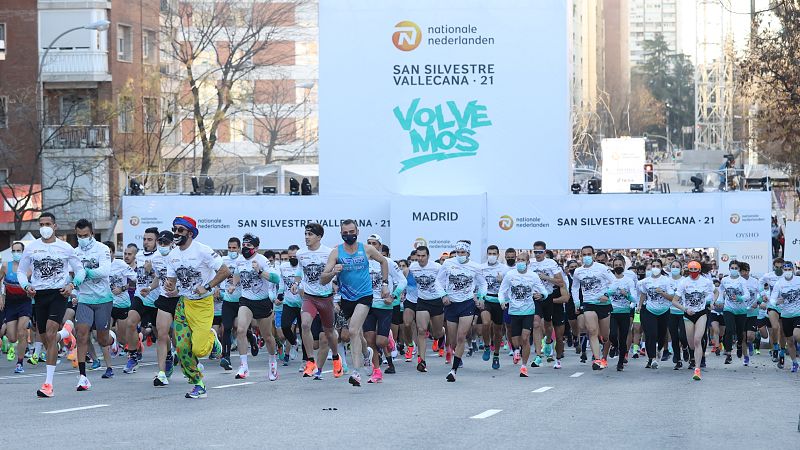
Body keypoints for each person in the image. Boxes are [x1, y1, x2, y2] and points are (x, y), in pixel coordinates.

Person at [17, 212, 85, 397]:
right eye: (41, 224)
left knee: (50, 331)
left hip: (59, 293)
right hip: (38, 294)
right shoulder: (32, 248)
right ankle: (66, 335)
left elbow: (80, 270)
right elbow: (22, 272)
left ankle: (48, 384)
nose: (44, 227)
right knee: (47, 339)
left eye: (48, 223)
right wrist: (25, 285)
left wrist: (72, 285)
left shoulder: (65, 247)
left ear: (55, 226)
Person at [163, 216, 229, 398]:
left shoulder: (202, 251)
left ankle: (212, 339)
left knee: (199, 349)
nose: (176, 233)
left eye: (180, 230)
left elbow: (225, 271)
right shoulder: (172, 255)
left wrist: (207, 286)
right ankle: (197, 384)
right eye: (174, 229)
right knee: (182, 347)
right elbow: (173, 283)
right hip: (184, 304)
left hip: (203, 305)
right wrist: (171, 288)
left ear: (190, 233)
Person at [320, 219, 389, 387]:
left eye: (352, 232)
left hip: (364, 296)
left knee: (353, 330)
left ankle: (356, 373)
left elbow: (383, 262)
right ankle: (367, 354)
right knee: (352, 335)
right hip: (346, 299)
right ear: (341, 234)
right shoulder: (336, 253)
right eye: (345, 233)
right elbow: (323, 279)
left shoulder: (367, 249)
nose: (349, 235)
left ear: (357, 232)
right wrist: (332, 272)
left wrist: (385, 284)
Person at [72, 219, 117, 392]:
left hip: (103, 299)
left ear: (92, 233)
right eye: (79, 235)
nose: (82, 238)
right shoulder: (74, 253)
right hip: (84, 300)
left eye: (85, 235)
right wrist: (74, 292)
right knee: (82, 335)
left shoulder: (102, 249)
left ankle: (112, 340)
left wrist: (86, 272)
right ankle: (83, 377)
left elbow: (105, 271)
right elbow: (73, 277)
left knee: (102, 339)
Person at [294, 223, 342, 379]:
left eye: (310, 234)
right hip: (309, 296)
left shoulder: (329, 252)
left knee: (329, 333)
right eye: (305, 234)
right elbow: (299, 271)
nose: (307, 237)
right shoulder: (301, 253)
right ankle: (310, 360)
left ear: (319, 237)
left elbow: (338, 272)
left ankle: (336, 357)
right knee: (305, 324)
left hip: (326, 297)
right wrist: (296, 283)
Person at [232, 233, 282, 381]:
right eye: (244, 245)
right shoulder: (239, 260)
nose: (246, 248)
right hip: (246, 300)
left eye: (249, 245)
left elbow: (276, 278)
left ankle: (272, 362)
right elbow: (236, 274)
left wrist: (260, 271)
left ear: (256, 247)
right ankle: (244, 366)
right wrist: (233, 285)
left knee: (267, 336)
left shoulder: (262, 260)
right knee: (240, 330)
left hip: (262, 301)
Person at [435, 241, 487, 382]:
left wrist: (481, 297)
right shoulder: (448, 263)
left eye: (463, 252)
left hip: (467, 303)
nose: (460, 255)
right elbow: (438, 281)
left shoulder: (475, 267)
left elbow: (483, 284)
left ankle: (454, 370)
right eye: (458, 252)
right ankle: (456, 355)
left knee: (461, 337)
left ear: (468, 253)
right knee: (452, 341)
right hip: (451, 304)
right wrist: (443, 295)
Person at [141, 230, 181, 387]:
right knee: (162, 335)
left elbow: (186, 279)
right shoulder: (156, 257)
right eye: (160, 243)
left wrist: (177, 291)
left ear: (172, 243)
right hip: (164, 299)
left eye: (166, 243)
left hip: (180, 298)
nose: (162, 246)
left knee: (180, 338)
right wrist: (150, 288)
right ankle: (162, 373)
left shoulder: (178, 255)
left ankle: (190, 361)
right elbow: (159, 277)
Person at [498, 251, 548, 377]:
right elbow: (501, 291)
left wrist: (541, 295)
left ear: (528, 262)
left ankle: (524, 366)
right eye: (518, 260)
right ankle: (516, 350)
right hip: (514, 311)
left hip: (528, 310)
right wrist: (502, 301)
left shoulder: (533, 276)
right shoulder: (510, 275)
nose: (520, 262)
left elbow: (544, 291)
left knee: (525, 337)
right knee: (516, 340)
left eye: (522, 260)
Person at [364, 234, 406, 381]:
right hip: (367, 305)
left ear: (380, 246)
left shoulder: (388, 262)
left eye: (374, 243)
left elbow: (402, 281)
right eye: (368, 243)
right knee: (370, 340)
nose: (371, 246)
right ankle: (377, 371)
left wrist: (393, 296)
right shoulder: (363, 262)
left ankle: (389, 339)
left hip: (384, 306)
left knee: (380, 342)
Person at [571, 245, 615, 370]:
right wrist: (577, 302)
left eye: (588, 254)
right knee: (592, 330)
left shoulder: (602, 268)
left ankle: (607, 344)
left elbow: (614, 282)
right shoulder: (578, 271)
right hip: (588, 303)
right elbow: (574, 288)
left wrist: (607, 295)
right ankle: (597, 360)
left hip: (603, 304)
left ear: (593, 255)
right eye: (584, 255)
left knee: (605, 336)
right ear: (581, 256)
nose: (586, 257)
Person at [125, 227, 160, 374]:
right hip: (141, 297)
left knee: (160, 333)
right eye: (144, 239)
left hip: (157, 299)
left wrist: (151, 271)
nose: (146, 242)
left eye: (150, 239)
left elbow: (164, 279)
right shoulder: (138, 255)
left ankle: (169, 356)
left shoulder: (160, 256)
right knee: (130, 322)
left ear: (157, 241)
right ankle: (133, 356)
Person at [672, 261, 715, 380]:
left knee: (697, 340)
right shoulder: (684, 282)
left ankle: (697, 369)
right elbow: (674, 301)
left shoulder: (706, 282)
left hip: (701, 313)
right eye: (691, 270)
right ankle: (691, 354)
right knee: (691, 344)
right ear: (688, 271)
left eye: (696, 270)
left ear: (700, 270)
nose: (694, 273)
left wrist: (712, 302)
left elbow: (715, 292)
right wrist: (685, 309)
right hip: (688, 314)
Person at [529, 241, 567, 369]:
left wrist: (546, 277)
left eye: (540, 252)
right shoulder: (531, 264)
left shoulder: (551, 263)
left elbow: (560, 282)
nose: (538, 254)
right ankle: (538, 356)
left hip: (550, 297)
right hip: (537, 297)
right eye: (535, 252)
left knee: (552, 328)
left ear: (545, 252)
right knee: (535, 323)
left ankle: (551, 344)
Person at [408, 246, 446, 372]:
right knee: (422, 330)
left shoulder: (437, 267)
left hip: (436, 301)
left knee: (436, 333)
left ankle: (442, 333)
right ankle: (422, 360)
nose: (420, 258)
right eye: (418, 256)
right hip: (422, 301)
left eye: (423, 256)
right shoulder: (413, 267)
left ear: (428, 256)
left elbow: (445, 281)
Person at [0, 242, 32, 373]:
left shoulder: (30, 268)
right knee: (13, 337)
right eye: (14, 250)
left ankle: (20, 364)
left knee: (22, 331)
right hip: (10, 303)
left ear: (23, 252)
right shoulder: (5, 267)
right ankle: (10, 341)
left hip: (25, 302)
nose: (16, 253)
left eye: (19, 251)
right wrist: (1, 297)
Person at [107, 241, 137, 379]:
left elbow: (135, 279)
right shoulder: (100, 265)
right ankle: (113, 344)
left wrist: (122, 288)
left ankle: (134, 344)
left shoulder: (121, 265)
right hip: (106, 303)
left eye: (108, 253)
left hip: (122, 303)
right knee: (99, 332)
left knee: (123, 338)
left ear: (113, 253)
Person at [768, 261, 800, 373]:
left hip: (798, 314)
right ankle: (795, 363)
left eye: (789, 270)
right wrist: (776, 302)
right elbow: (772, 299)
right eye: (785, 270)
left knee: (797, 335)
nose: (787, 272)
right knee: (790, 341)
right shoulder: (779, 283)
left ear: (793, 269)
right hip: (786, 315)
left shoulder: (798, 280)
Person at [718, 260, 750, 365]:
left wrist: (740, 298)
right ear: (729, 269)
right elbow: (721, 290)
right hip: (729, 308)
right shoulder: (725, 280)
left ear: (739, 270)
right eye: (732, 268)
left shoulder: (742, 281)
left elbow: (747, 295)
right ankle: (728, 354)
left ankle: (740, 344)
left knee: (740, 332)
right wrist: (720, 300)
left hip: (741, 310)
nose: (734, 270)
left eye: (736, 268)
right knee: (730, 330)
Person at [479, 245, 506, 369]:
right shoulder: (481, 268)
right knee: (485, 323)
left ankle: (496, 355)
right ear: (487, 254)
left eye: (494, 253)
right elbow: (477, 283)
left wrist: (502, 281)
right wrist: (478, 297)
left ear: (498, 255)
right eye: (489, 253)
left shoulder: (504, 268)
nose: (492, 256)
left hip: (498, 300)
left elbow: (509, 286)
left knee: (497, 330)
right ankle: (486, 346)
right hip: (486, 299)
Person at [217, 237, 242, 371]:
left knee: (238, 327)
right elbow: (216, 275)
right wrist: (216, 288)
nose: (232, 250)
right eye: (229, 248)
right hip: (227, 300)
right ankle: (226, 357)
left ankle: (251, 337)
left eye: (234, 248)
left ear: (239, 248)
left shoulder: (243, 261)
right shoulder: (223, 261)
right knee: (226, 328)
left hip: (242, 301)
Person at [607, 256, 636, 371]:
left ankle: (620, 363)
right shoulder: (610, 280)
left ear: (624, 266)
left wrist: (627, 296)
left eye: (620, 265)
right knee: (612, 335)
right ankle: (614, 345)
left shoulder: (629, 281)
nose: (618, 267)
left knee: (623, 338)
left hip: (625, 312)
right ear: (613, 267)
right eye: (616, 265)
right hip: (613, 312)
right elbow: (604, 294)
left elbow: (634, 298)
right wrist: (609, 293)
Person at [277, 245, 303, 366]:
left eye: (295, 256)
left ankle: (307, 360)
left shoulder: (302, 266)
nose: (292, 258)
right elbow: (281, 282)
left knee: (304, 330)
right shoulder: (283, 267)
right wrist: (280, 294)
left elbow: (302, 280)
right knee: (285, 326)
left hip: (302, 302)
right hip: (289, 302)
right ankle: (294, 342)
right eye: (290, 256)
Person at [666, 260, 689, 369]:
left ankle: (685, 348)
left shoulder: (685, 280)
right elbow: (669, 296)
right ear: (670, 268)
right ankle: (677, 359)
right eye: (673, 266)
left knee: (683, 336)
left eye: (677, 266)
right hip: (671, 311)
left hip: (683, 311)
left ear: (681, 268)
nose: (675, 268)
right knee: (674, 337)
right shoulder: (667, 281)